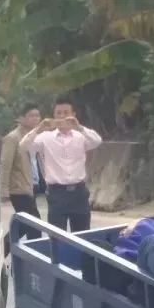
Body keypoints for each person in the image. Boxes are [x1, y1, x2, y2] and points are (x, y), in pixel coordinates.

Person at [19, 97, 102, 232]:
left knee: (83, 235)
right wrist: (39, 128)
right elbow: (23, 146)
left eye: (66, 113)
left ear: (73, 115)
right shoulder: (46, 137)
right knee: (57, 236)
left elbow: (97, 141)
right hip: (56, 193)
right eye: (59, 113)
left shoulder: (80, 136)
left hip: (79, 192)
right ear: (54, 115)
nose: (62, 116)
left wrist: (79, 127)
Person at [0, 104, 45, 217]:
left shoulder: (37, 136)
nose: (35, 118)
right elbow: (5, 165)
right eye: (31, 116)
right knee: (33, 223)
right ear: (21, 119)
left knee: (27, 224)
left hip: (33, 185)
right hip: (19, 188)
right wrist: (4, 190)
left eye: (37, 116)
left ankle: (10, 235)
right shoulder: (12, 138)